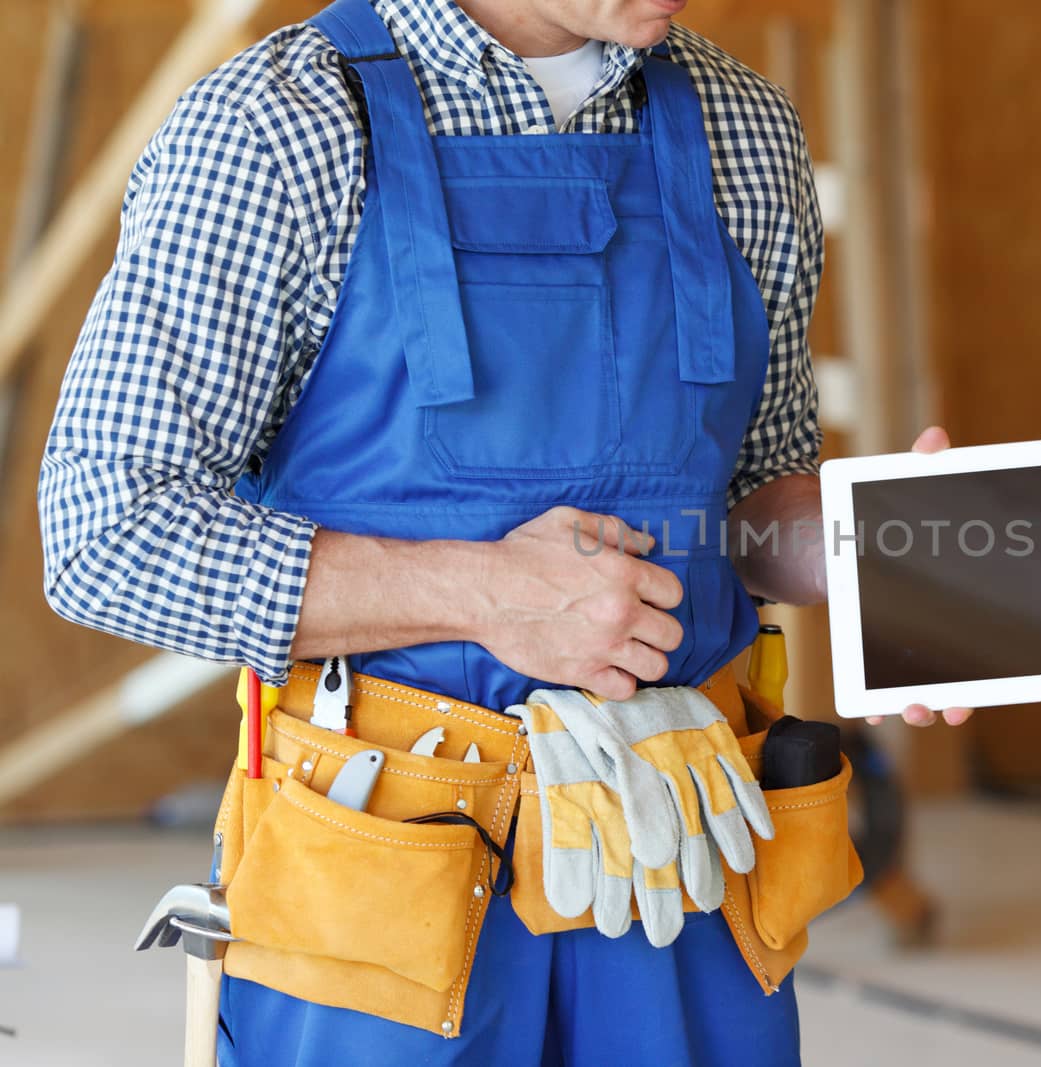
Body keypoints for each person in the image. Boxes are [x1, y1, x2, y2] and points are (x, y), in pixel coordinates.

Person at [38, 0, 971, 1062]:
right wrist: (482, 593)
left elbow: (745, 500)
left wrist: (869, 552)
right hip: (389, 883)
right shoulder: (276, 127)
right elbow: (104, 533)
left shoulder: (744, 128)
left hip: (685, 860)